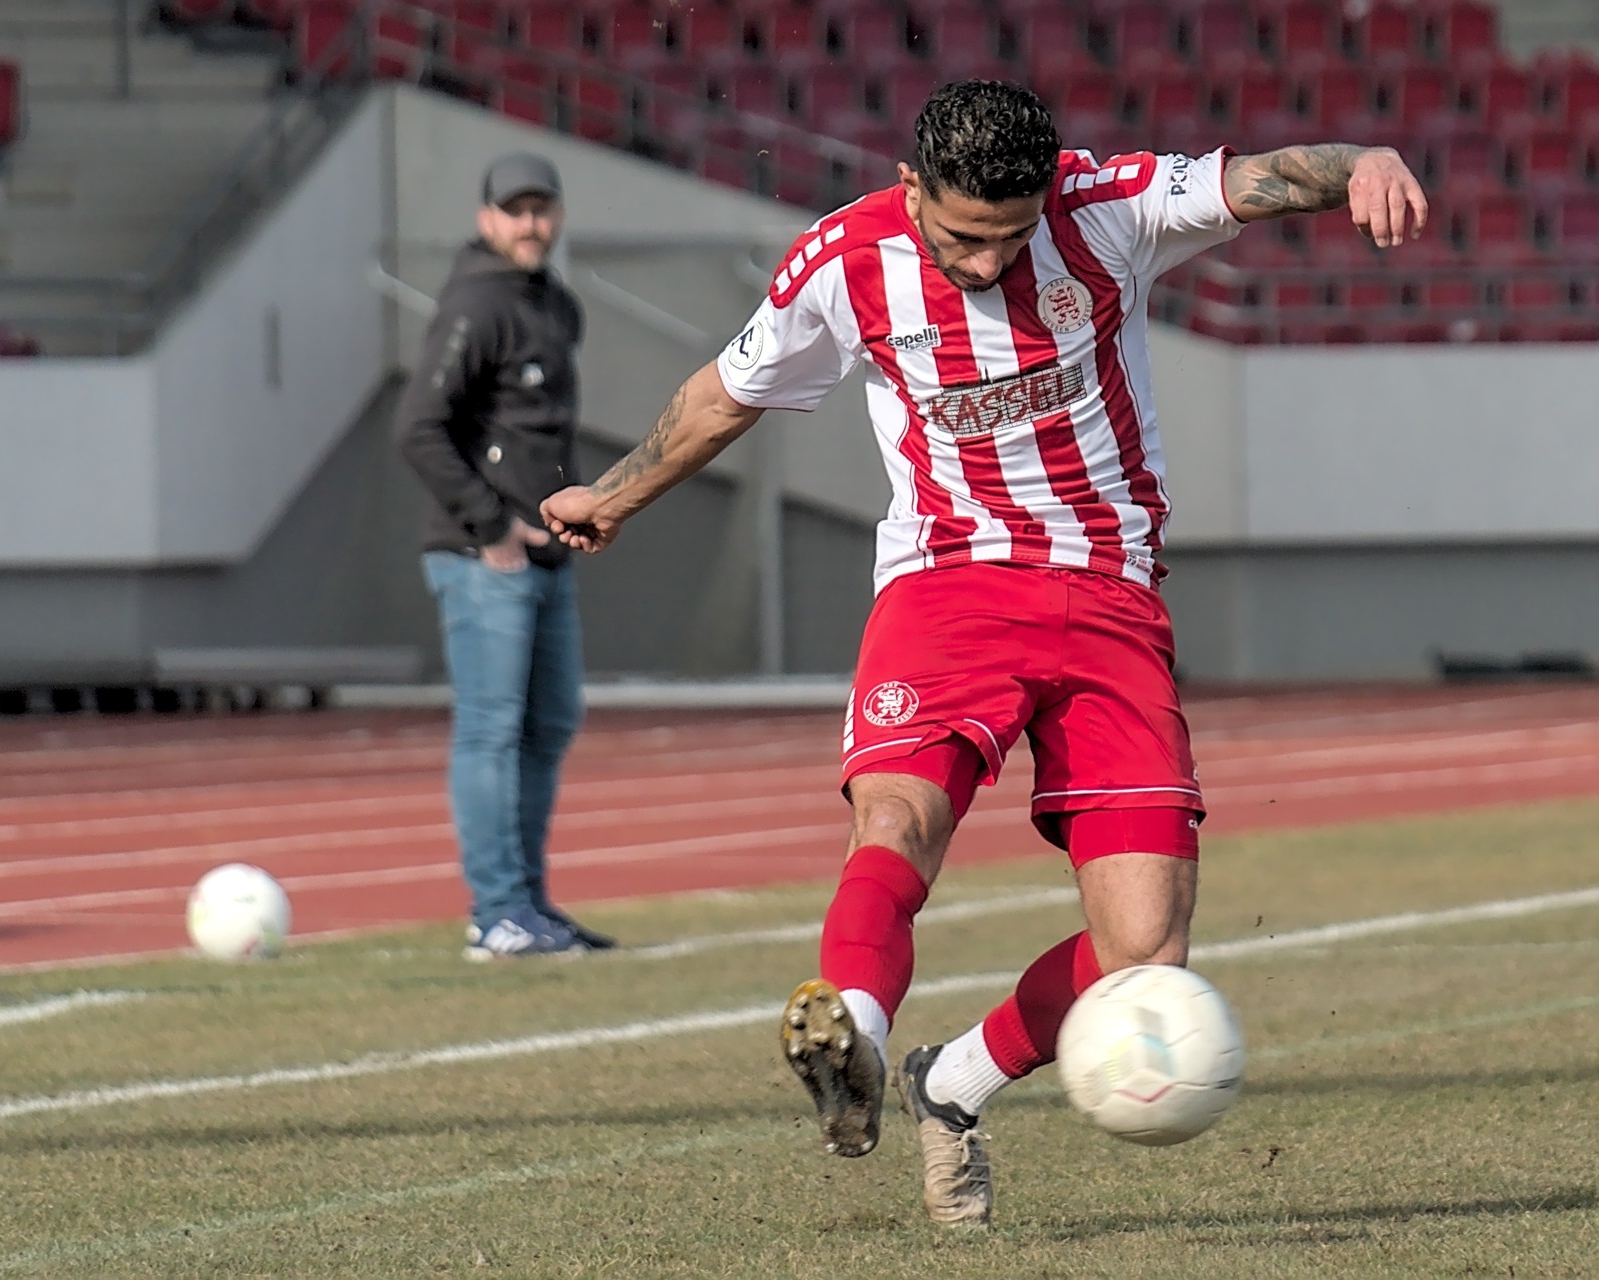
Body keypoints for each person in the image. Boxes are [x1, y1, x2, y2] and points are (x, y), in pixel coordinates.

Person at [539, 81, 1427, 1221]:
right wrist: (612, 497)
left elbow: (1263, 179)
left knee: (1147, 950)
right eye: (962, 237)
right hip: (946, 586)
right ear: (911, 187)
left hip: (1110, 595)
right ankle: (854, 1033)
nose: (985, 262)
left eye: (1010, 237)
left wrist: (1364, 158)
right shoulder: (844, 261)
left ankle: (951, 1082)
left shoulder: (1107, 207)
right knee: (898, 817)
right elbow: (722, 398)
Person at [395, 151, 617, 961]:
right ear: (487, 218)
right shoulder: (476, 303)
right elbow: (418, 428)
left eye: (541, 208)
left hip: (543, 556)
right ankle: (496, 912)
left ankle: (530, 905)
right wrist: (491, 528)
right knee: (491, 731)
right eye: (515, 210)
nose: (530, 223)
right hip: (483, 557)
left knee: (549, 723)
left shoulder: (555, 303)